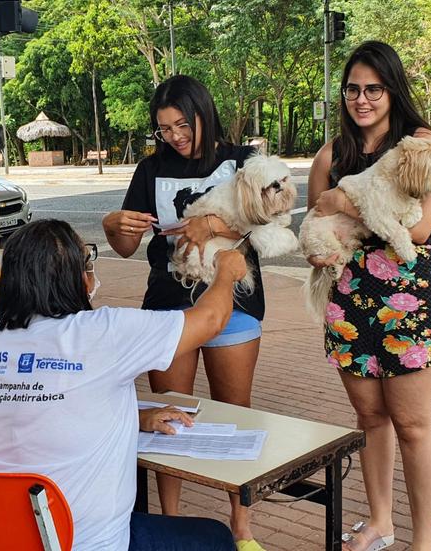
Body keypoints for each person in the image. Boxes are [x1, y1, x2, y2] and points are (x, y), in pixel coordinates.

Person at [0, 219, 246, 551]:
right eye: (86, 261)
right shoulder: (104, 332)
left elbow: (46, 402)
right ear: (73, 276)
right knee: (214, 539)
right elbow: (210, 320)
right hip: (82, 541)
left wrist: (138, 416)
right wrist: (226, 271)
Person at [102, 75, 264, 550]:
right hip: (168, 307)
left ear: (202, 113)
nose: (174, 135)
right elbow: (129, 246)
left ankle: (242, 527)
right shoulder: (150, 170)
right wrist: (115, 225)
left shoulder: (241, 161)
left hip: (233, 301)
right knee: (168, 418)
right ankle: (169, 522)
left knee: (238, 416)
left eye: (181, 124)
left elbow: (268, 215)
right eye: (164, 128)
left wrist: (209, 222)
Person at [305, 41, 431, 551]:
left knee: (413, 425)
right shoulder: (332, 153)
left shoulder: (419, 145)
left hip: (409, 297)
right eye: (353, 89)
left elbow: (421, 227)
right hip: (349, 297)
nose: (362, 99)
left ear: (392, 90)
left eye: (373, 89)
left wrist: (347, 200)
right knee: (370, 419)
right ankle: (380, 522)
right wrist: (325, 240)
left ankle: (424, 541)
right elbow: (316, 223)